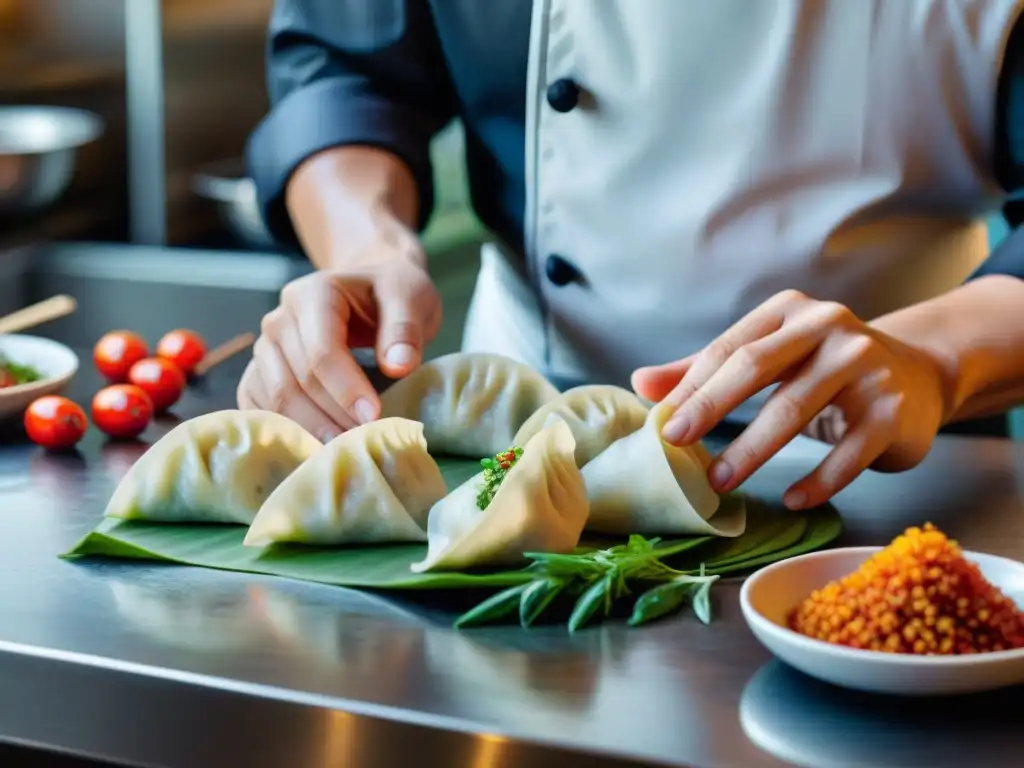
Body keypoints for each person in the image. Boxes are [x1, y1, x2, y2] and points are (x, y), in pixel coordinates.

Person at [240, 0, 1024, 509]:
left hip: (888, 467)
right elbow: (348, 66)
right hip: (513, 449)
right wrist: (367, 243)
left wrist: (936, 359)